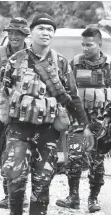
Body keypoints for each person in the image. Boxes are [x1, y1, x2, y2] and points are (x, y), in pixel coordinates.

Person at [0, 13, 93, 215]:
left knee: (42, 181)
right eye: (41, 28)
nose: (45, 32)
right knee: (15, 177)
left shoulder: (61, 63)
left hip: (48, 131)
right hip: (18, 129)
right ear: (31, 33)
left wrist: (85, 126)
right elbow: (3, 96)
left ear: (53, 35)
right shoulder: (16, 60)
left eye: (50, 30)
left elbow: (73, 97)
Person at [56, 28, 110, 213]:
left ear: (99, 44)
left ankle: (93, 199)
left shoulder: (109, 65)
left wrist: (107, 119)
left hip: (100, 122)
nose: (85, 48)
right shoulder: (76, 64)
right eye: (83, 44)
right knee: (74, 158)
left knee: (97, 162)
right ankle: (73, 197)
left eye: (89, 44)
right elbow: (67, 90)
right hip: (78, 120)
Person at [0, 17, 31, 209]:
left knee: (25, 154)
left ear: (25, 35)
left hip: (28, 113)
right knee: (4, 152)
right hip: (2, 111)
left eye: (18, 33)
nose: (13, 36)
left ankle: (21, 195)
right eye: (11, 33)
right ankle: (10, 194)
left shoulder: (31, 54)